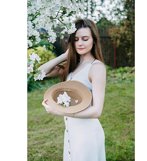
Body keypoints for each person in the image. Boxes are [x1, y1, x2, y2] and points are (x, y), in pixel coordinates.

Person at [40, 18, 106, 161]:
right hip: (71, 132)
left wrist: (60, 111)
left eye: (85, 38)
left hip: (87, 135)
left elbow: (97, 111)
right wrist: (65, 55)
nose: (80, 43)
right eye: (76, 39)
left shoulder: (96, 67)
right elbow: (40, 72)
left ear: (93, 40)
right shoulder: (72, 66)